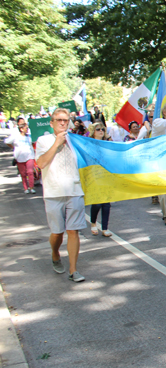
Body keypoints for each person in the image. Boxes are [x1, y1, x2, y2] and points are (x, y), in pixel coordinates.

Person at [35, 108, 86, 282]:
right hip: (53, 192)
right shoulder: (44, 140)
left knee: (73, 231)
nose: (63, 123)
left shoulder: (75, 140)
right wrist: (57, 143)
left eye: (66, 120)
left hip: (74, 191)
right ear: (52, 123)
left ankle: (73, 270)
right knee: (57, 232)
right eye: (59, 120)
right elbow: (41, 163)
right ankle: (55, 252)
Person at [87, 122, 112, 237]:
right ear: (93, 131)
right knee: (97, 203)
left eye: (103, 129)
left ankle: (105, 228)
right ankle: (93, 223)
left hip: (105, 175)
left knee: (106, 203)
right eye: (98, 129)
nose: (101, 131)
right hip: (94, 175)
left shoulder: (107, 144)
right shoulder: (88, 144)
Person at [4, 118, 36, 194]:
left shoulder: (29, 137)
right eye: (26, 128)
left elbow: (33, 142)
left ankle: (31, 187)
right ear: (21, 129)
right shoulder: (16, 136)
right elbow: (7, 141)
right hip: (19, 157)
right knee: (23, 173)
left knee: (30, 172)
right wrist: (13, 147)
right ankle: (26, 188)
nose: (27, 130)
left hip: (30, 156)